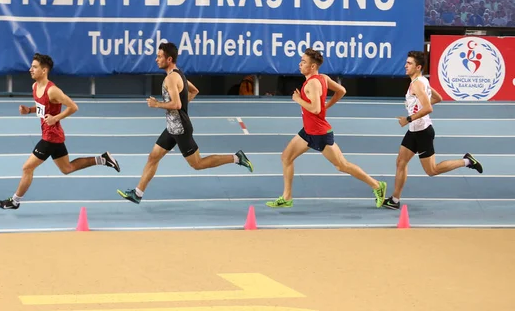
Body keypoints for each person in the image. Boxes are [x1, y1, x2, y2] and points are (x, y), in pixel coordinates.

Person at [117, 42, 254, 204]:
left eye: (159, 56)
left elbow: (177, 104)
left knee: (197, 164)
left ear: (169, 59)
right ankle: (137, 193)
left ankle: (237, 158)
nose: (156, 59)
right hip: (172, 128)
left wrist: (158, 105)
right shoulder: (179, 74)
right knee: (153, 157)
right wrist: (180, 108)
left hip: (180, 129)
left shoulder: (171, 78)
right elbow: (194, 91)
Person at [0, 53, 120, 210]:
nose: (30, 70)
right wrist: (29, 110)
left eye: (34, 67)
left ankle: (14, 201)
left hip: (50, 138)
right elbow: (43, 109)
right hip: (55, 137)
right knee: (67, 169)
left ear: (44, 70)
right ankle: (102, 159)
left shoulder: (52, 90)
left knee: (27, 168)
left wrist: (55, 118)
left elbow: (73, 107)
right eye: (31, 66)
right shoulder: (35, 87)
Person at [266, 48, 388, 208]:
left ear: (312, 66)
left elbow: (316, 109)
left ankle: (377, 186)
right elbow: (341, 91)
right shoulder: (322, 78)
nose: (300, 64)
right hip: (308, 131)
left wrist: (298, 99)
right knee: (286, 158)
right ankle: (287, 197)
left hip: (319, 133)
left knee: (342, 165)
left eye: (303, 62)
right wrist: (327, 106)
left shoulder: (314, 83)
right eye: (301, 61)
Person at [382, 50, 483, 210]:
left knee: (432, 170)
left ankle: (467, 161)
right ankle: (395, 200)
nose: (405, 66)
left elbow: (429, 107)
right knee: (401, 162)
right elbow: (438, 98)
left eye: (409, 63)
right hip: (414, 131)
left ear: (418, 67)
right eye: (406, 62)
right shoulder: (421, 81)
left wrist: (408, 118)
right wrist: (415, 112)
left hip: (423, 132)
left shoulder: (417, 84)